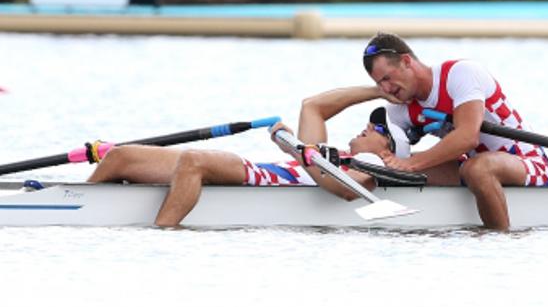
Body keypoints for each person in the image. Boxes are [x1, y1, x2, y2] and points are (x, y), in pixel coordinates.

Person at [86, 87, 410, 227]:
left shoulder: (376, 164)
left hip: (255, 177)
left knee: (194, 161)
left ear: (388, 150)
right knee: (120, 156)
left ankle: (162, 236)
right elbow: (314, 106)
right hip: (253, 168)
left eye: (380, 127)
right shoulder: (328, 153)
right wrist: (378, 92)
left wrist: (291, 148)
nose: (369, 126)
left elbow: (343, 190)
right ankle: (76, 206)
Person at [359, 32, 548, 231]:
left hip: (525, 161)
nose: (386, 89)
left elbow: (467, 138)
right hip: (471, 164)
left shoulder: (461, 74)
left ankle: (499, 241)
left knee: (476, 168)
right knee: (385, 169)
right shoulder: (399, 109)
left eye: (387, 78)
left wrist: (412, 163)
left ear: (406, 61)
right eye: (379, 84)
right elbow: (380, 150)